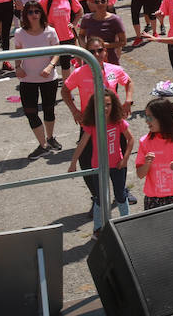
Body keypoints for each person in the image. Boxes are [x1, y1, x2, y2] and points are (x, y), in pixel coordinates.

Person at [68, 89, 134, 238]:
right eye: (101, 105)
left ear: (113, 105)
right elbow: (82, 144)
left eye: (108, 104)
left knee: (120, 195)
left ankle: (126, 224)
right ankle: (98, 229)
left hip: (117, 166)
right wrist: (73, 163)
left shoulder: (118, 122)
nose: (105, 108)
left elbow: (131, 139)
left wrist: (125, 159)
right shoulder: (92, 124)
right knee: (100, 198)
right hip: (98, 168)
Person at [13, 1, 61, 160]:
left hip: (48, 78)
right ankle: (43, 145)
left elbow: (57, 52)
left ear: (41, 13)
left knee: (49, 110)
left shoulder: (50, 32)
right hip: (27, 79)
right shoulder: (20, 33)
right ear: (25, 15)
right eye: (30, 12)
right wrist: (17, 67)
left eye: (36, 11)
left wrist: (51, 66)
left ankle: (51, 137)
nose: (34, 15)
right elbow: (17, 53)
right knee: (30, 112)